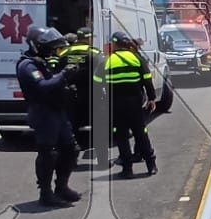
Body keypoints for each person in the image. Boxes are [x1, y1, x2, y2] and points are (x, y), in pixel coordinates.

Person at [15, 27, 88, 207]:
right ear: (37, 45)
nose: (52, 50)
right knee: (48, 153)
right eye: (49, 47)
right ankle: (46, 193)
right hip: (43, 114)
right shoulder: (27, 66)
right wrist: (64, 74)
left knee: (71, 149)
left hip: (58, 111)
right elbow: (43, 86)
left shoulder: (43, 62)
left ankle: (61, 187)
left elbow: (54, 81)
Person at [103, 31, 158, 178]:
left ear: (114, 44)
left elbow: (99, 82)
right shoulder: (136, 58)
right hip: (135, 104)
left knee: (122, 137)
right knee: (141, 134)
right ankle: (151, 166)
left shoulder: (109, 61)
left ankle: (127, 170)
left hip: (116, 106)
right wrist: (152, 98)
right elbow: (147, 79)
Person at [59, 28, 103, 155]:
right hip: (91, 94)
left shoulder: (64, 53)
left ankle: (71, 156)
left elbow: (58, 74)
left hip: (70, 95)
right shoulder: (95, 53)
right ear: (88, 38)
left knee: (72, 126)